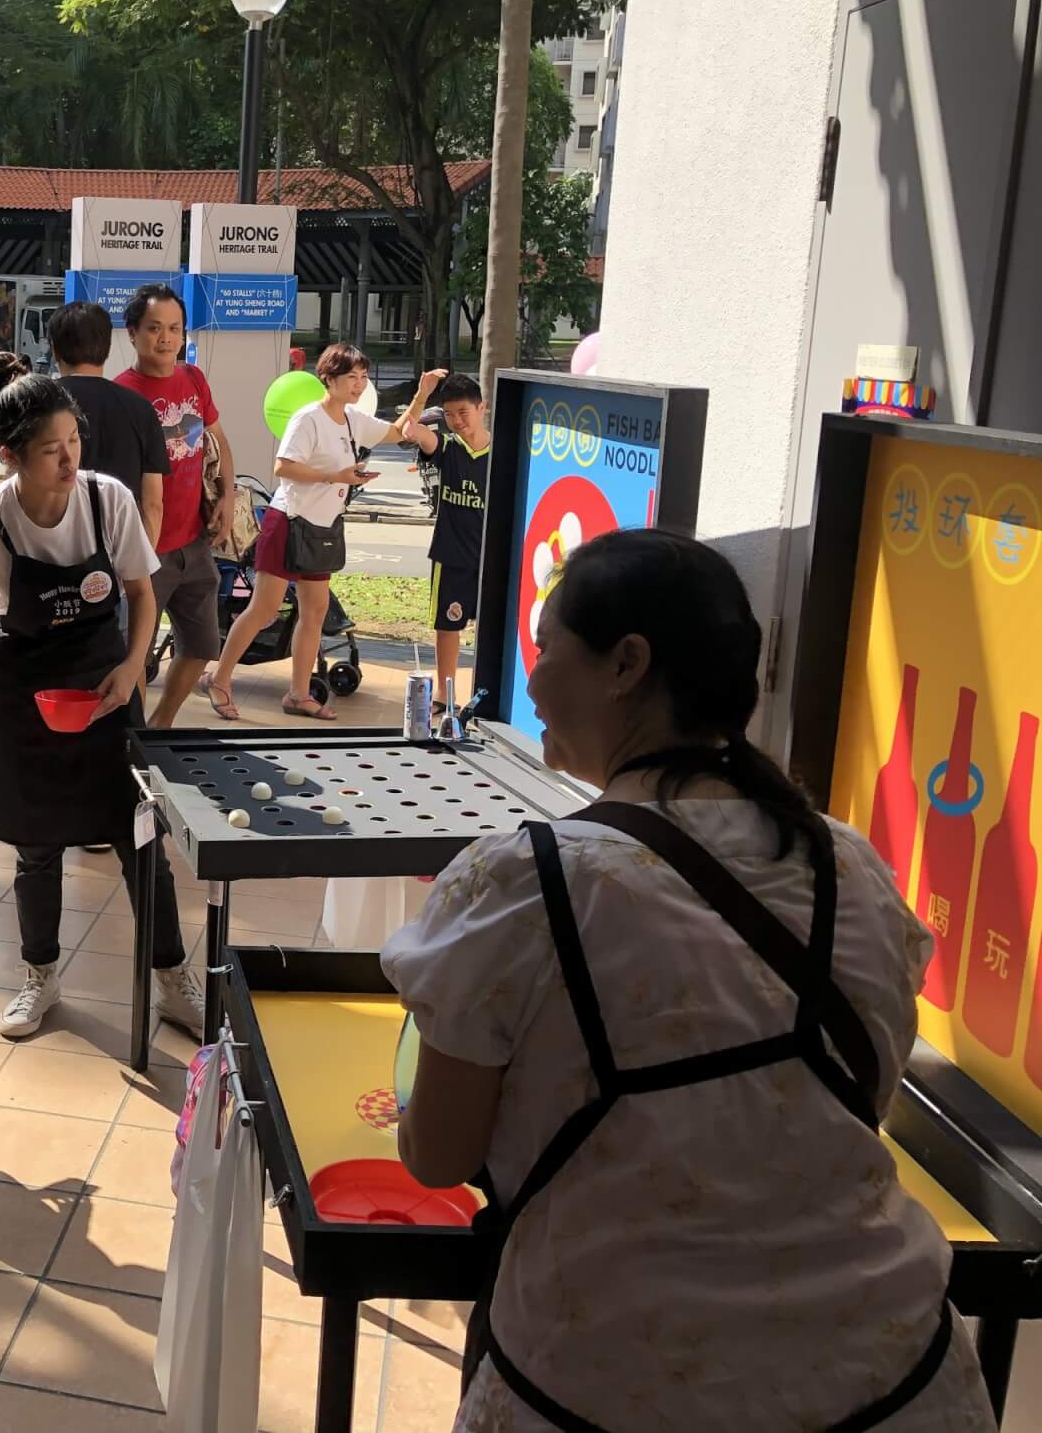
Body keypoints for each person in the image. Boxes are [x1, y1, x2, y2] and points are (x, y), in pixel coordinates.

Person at [381, 530, 995, 1431]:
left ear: (626, 664)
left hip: (606, 1388)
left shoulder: (527, 881)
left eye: (547, 648)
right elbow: (844, 1097)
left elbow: (436, 1154)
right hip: (900, 1383)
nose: (533, 681)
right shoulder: (849, 868)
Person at [0, 357, 203, 1040]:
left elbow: (140, 593)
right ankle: (40, 976)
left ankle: (174, 980)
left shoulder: (106, 500)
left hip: (105, 685)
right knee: (36, 844)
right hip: (27, 692)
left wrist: (133, 667)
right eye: (51, 448)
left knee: (138, 838)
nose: (69, 458)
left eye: (74, 441)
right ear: (10, 455)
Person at [205, 344, 390, 722]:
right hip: (288, 523)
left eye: (363, 377)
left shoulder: (354, 419)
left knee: (315, 611)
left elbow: (400, 432)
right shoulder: (308, 418)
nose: (359, 385)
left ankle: (299, 694)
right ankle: (220, 679)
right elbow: (284, 467)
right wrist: (335, 476)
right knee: (264, 608)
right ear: (329, 379)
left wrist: (422, 396)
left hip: (322, 529)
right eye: (351, 377)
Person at [114, 283, 233, 727]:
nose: (165, 338)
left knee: (202, 646)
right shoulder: (122, 393)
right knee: (136, 654)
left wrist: (227, 495)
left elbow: (218, 442)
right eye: (154, 328)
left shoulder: (194, 378)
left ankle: (159, 726)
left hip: (194, 541)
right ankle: (135, 737)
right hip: (145, 550)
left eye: (174, 328)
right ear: (132, 333)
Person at [394, 368, 489, 706]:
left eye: (463, 412)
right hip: (451, 556)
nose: (457, 421)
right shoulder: (446, 447)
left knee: (493, 631)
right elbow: (408, 430)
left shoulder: (503, 454)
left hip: (491, 561)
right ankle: (445, 698)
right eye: (449, 415)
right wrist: (422, 394)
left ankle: (488, 698)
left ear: (481, 408)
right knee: (448, 627)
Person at [48, 301, 165, 549]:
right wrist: (143, 562)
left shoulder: (40, 404)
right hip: (119, 548)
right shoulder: (141, 409)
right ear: (107, 348)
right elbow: (153, 504)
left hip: (53, 550)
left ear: (55, 350)